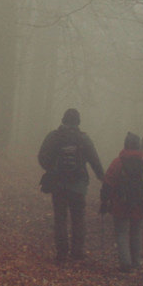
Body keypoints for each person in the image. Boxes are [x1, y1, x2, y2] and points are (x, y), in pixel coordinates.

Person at [37, 108, 105, 264]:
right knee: (78, 218)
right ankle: (77, 251)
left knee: (60, 218)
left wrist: (50, 169)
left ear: (63, 120)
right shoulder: (83, 139)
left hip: (58, 184)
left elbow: (42, 156)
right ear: (78, 122)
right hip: (78, 185)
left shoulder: (54, 136)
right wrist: (102, 177)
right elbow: (94, 160)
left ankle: (61, 252)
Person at [100, 132, 143, 272]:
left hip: (120, 204)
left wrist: (104, 201)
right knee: (136, 233)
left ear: (125, 144)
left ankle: (125, 263)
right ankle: (136, 262)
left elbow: (108, 183)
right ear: (138, 146)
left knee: (121, 232)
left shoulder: (118, 162)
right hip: (140, 205)